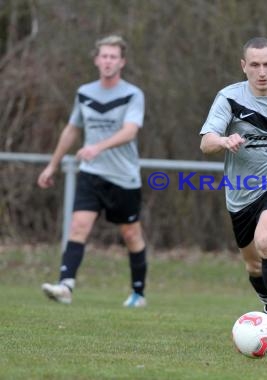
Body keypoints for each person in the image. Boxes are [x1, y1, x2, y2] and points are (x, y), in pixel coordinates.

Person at [199, 37, 267, 342]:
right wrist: (223, 140)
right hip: (239, 193)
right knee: (253, 263)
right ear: (244, 66)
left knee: (265, 240)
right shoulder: (229, 98)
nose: (262, 72)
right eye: (255, 65)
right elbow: (206, 140)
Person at [38, 35, 148, 308]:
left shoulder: (133, 95)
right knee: (78, 227)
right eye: (104, 56)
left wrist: (98, 146)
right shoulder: (84, 93)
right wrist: (53, 164)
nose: (108, 61)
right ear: (97, 60)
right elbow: (72, 129)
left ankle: (138, 294)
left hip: (124, 177)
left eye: (114, 56)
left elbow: (130, 131)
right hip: (91, 173)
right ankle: (65, 286)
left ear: (121, 62)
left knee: (131, 235)